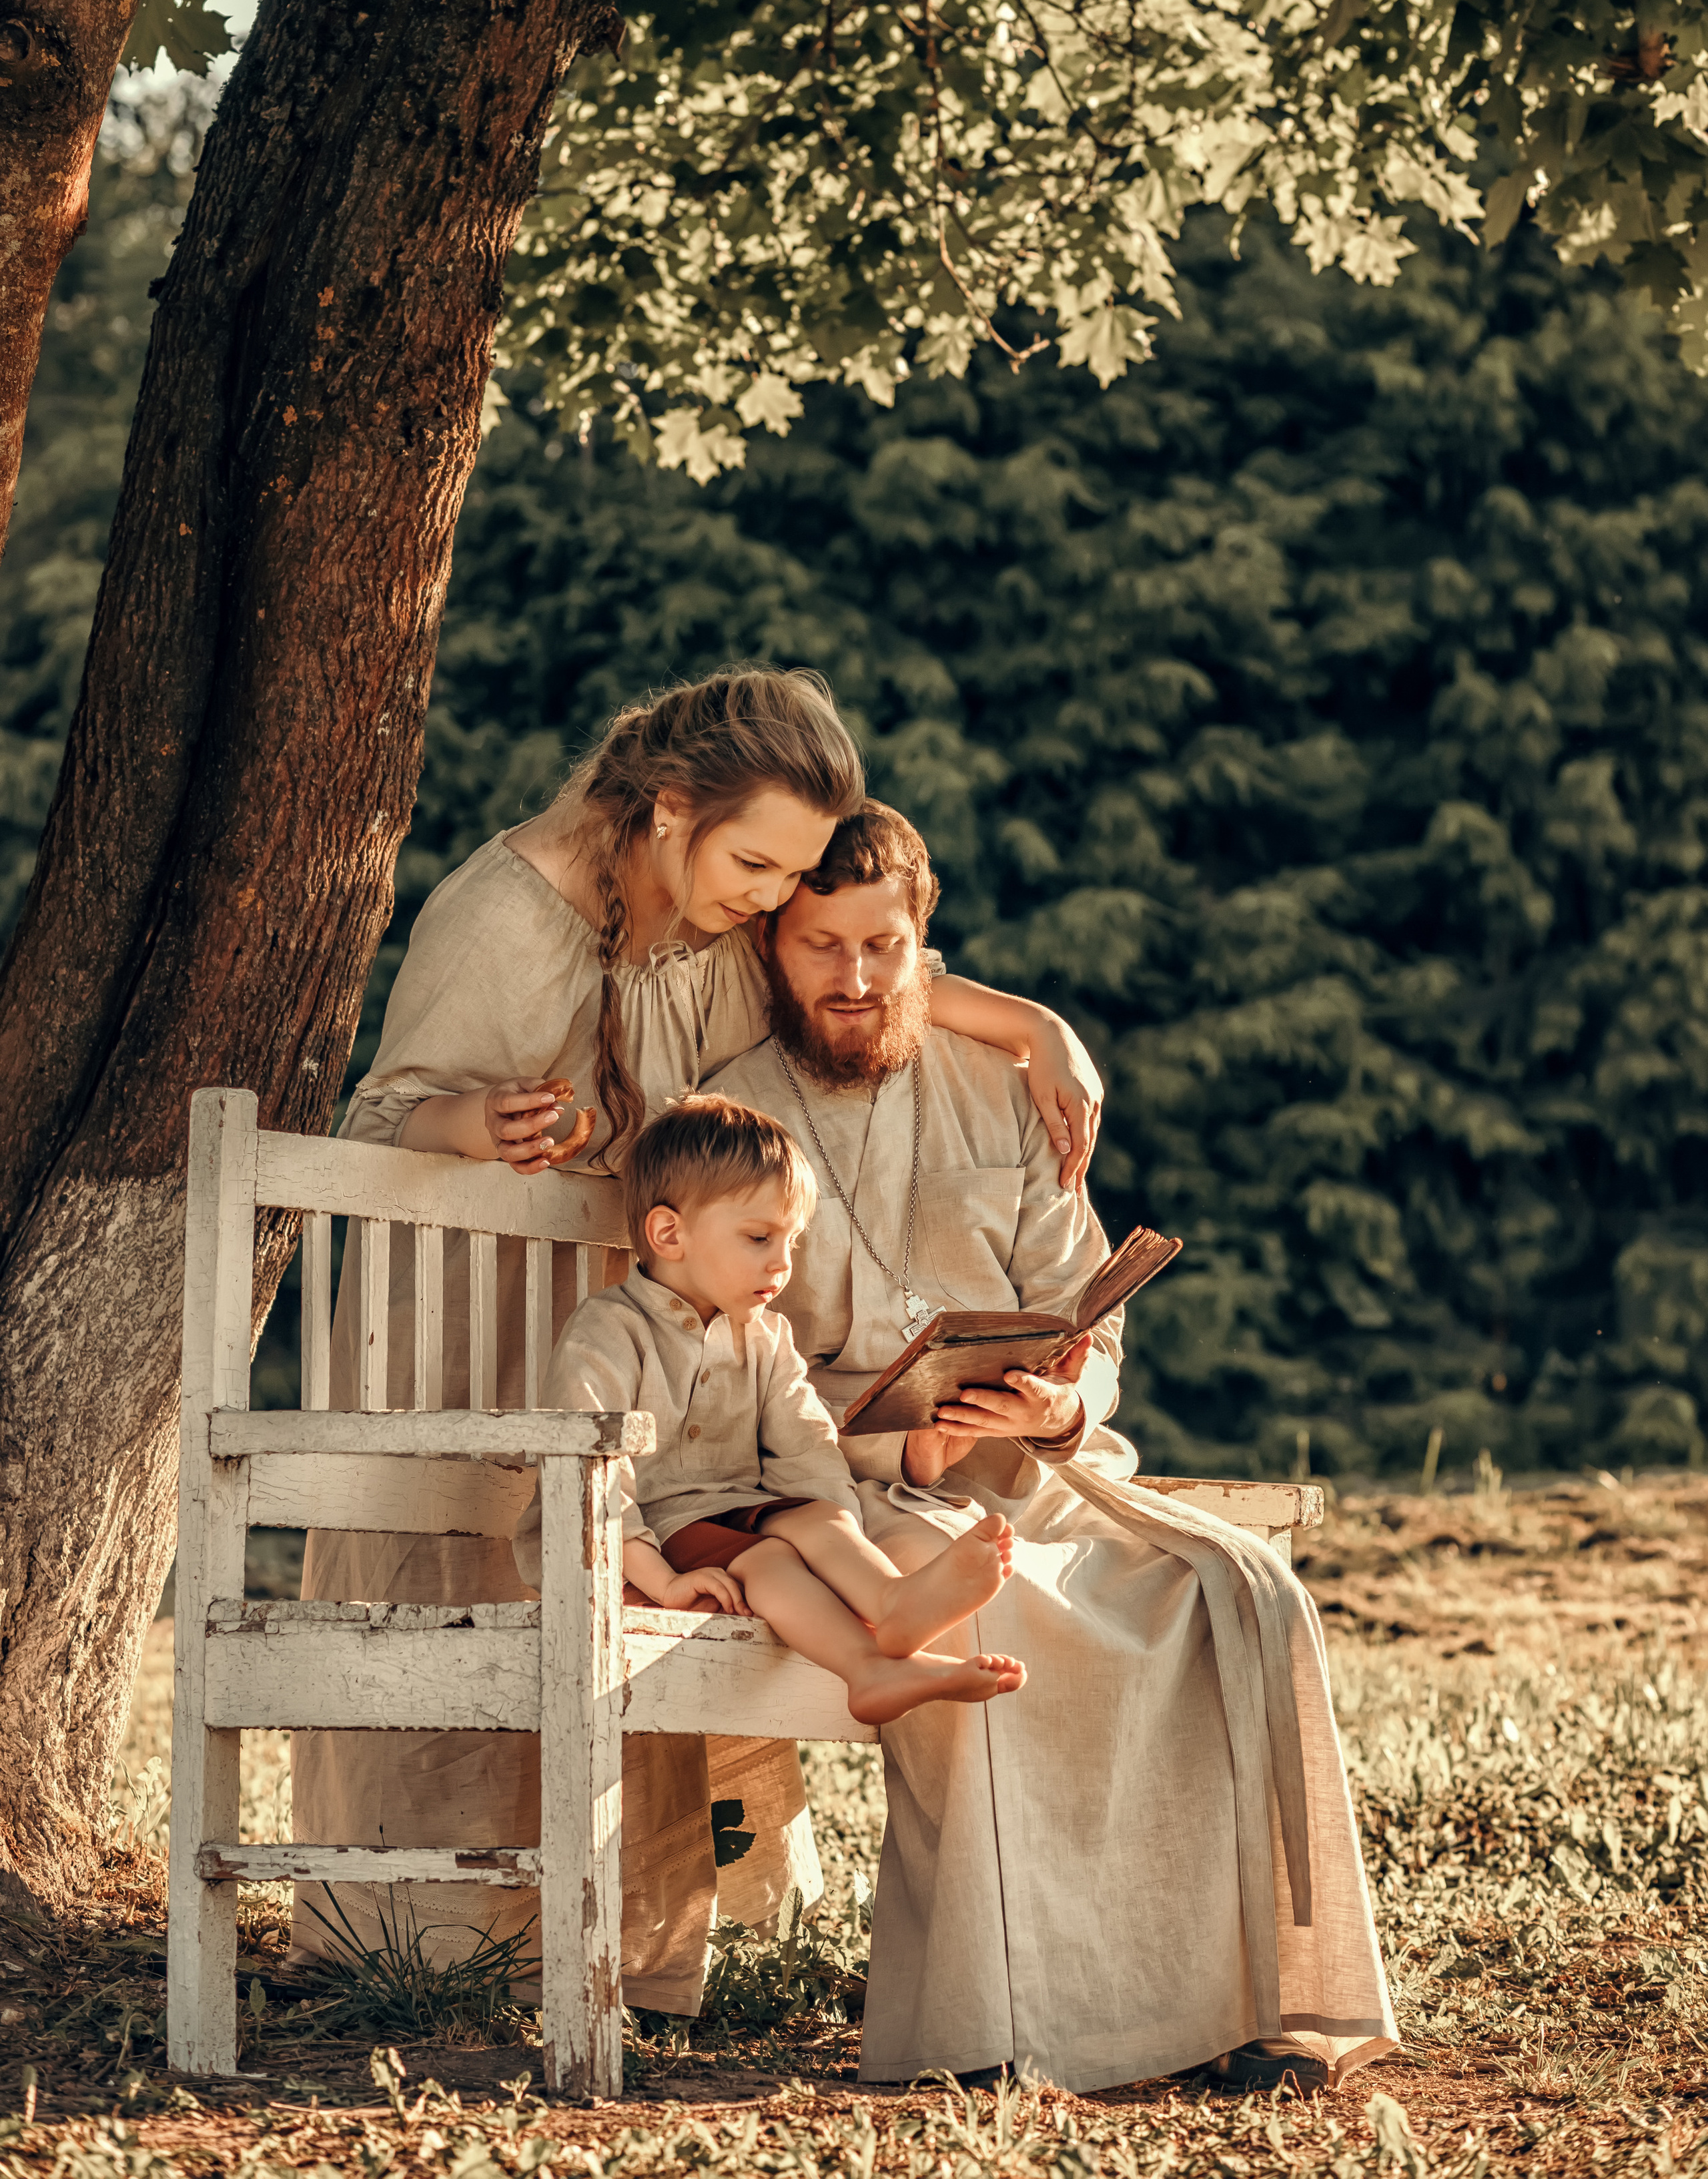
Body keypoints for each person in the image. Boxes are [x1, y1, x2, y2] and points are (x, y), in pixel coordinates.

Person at [290, 667, 1103, 2008]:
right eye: (755, 863)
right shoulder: (502, 917)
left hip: (646, 1319)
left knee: (693, 1528)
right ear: (668, 809)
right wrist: (473, 1123)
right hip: (479, 1315)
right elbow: (387, 1121)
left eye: (787, 873)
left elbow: (853, 976)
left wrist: (1034, 1028)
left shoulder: (708, 920)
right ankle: (419, 1949)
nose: (772, 897)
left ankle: (634, 1955)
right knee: (479, 1592)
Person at [715, 802, 1398, 2096]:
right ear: (773, 949)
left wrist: (1057, 1407)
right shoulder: (734, 1112)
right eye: (820, 949)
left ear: (926, 945)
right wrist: (894, 1453)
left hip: (1042, 1471)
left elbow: (1088, 1317)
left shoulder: (1006, 1093)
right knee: (990, 1611)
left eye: (881, 946)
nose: (853, 982)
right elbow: (724, 1369)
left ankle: (1233, 2009)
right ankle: (1001, 2027)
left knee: (1230, 1593)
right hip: (853, 1492)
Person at [515, 1093, 1027, 1723]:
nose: (783, 1264)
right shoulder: (611, 1333)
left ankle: (891, 1606)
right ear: (669, 1233)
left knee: (814, 1519)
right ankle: (867, 1668)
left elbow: (806, 1444)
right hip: (639, 1541)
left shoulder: (764, 1336)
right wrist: (663, 1582)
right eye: (759, 1237)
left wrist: (834, 1529)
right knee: (770, 1558)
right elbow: (592, 1487)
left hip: (732, 1517)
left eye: (791, 1240)